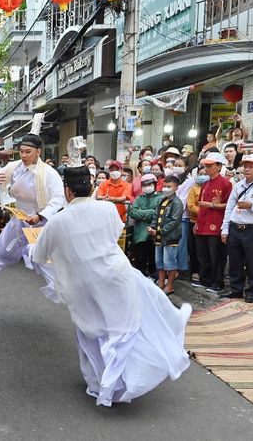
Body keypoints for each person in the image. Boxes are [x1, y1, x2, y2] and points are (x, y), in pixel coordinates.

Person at [32, 166, 191, 407]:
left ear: (67, 191)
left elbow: (39, 254)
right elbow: (115, 232)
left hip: (84, 284)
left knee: (91, 333)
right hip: (116, 277)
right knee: (122, 330)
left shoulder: (57, 221)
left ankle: (101, 383)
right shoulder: (107, 209)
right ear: (93, 187)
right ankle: (120, 381)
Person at [0, 134, 64, 271]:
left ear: (38, 152)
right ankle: (1, 262)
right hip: (20, 215)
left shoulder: (49, 173)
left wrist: (41, 215)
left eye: (28, 152)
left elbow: (58, 198)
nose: (23, 155)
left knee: (43, 261)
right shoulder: (14, 167)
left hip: (39, 219)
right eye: (21, 151)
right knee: (4, 248)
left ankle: (57, 285)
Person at [219, 154, 253, 303]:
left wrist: (252, 205)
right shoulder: (238, 185)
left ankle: (252, 291)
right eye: (245, 166)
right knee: (235, 261)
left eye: (251, 166)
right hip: (235, 227)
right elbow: (229, 208)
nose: (246, 169)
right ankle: (236, 290)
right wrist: (225, 229)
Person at [194, 152, 232, 292]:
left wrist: (212, 205)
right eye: (206, 165)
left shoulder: (226, 183)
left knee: (216, 255)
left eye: (210, 165)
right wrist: (198, 223)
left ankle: (217, 282)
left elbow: (230, 205)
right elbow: (201, 205)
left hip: (216, 223)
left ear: (219, 166)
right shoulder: (205, 183)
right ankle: (205, 279)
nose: (207, 168)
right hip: (203, 223)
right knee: (202, 254)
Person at [148, 176, 183, 295]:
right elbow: (155, 215)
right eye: (164, 186)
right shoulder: (161, 200)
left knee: (169, 262)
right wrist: (152, 227)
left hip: (170, 238)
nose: (166, 189)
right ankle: (161, 283)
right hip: (158, 237)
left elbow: (174, 221)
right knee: (159, 262)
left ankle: (170, 285)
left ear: (176, 188)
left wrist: (160, 231)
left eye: (169, 187)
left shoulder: (177, 203)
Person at [128, 174, 162, 277]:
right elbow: (132, 213)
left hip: (153, 232)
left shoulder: (160, 198)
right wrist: (150, 212)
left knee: (153, 259)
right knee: (140, 259)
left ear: (155, 185)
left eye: (150, 184)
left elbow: (157, 213)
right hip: (139, 233)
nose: (147, 186)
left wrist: (141, 212)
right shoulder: (139, 198)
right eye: (145, 185)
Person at [187, 167, 209, 284]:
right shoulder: (193, 188)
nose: (203, 175)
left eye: (205, 173)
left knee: (206, 249)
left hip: (209, 222)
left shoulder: (211, 187)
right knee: (194, 248)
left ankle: (206, 272)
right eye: (201, 173)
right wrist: (203, 211)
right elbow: (190, 205)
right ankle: (195, 271)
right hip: (194, 221)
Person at [96, 160, 133, 225]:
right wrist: (104, 197)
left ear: (121, 170)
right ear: (109, 171)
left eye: (117, 169)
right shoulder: (103, 184)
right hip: (105, 218)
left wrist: (109, 198)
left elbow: (123, 198)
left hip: (121, 218)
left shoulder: (127, 185)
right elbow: (98, 196)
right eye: (112, 170)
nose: (114, 172)